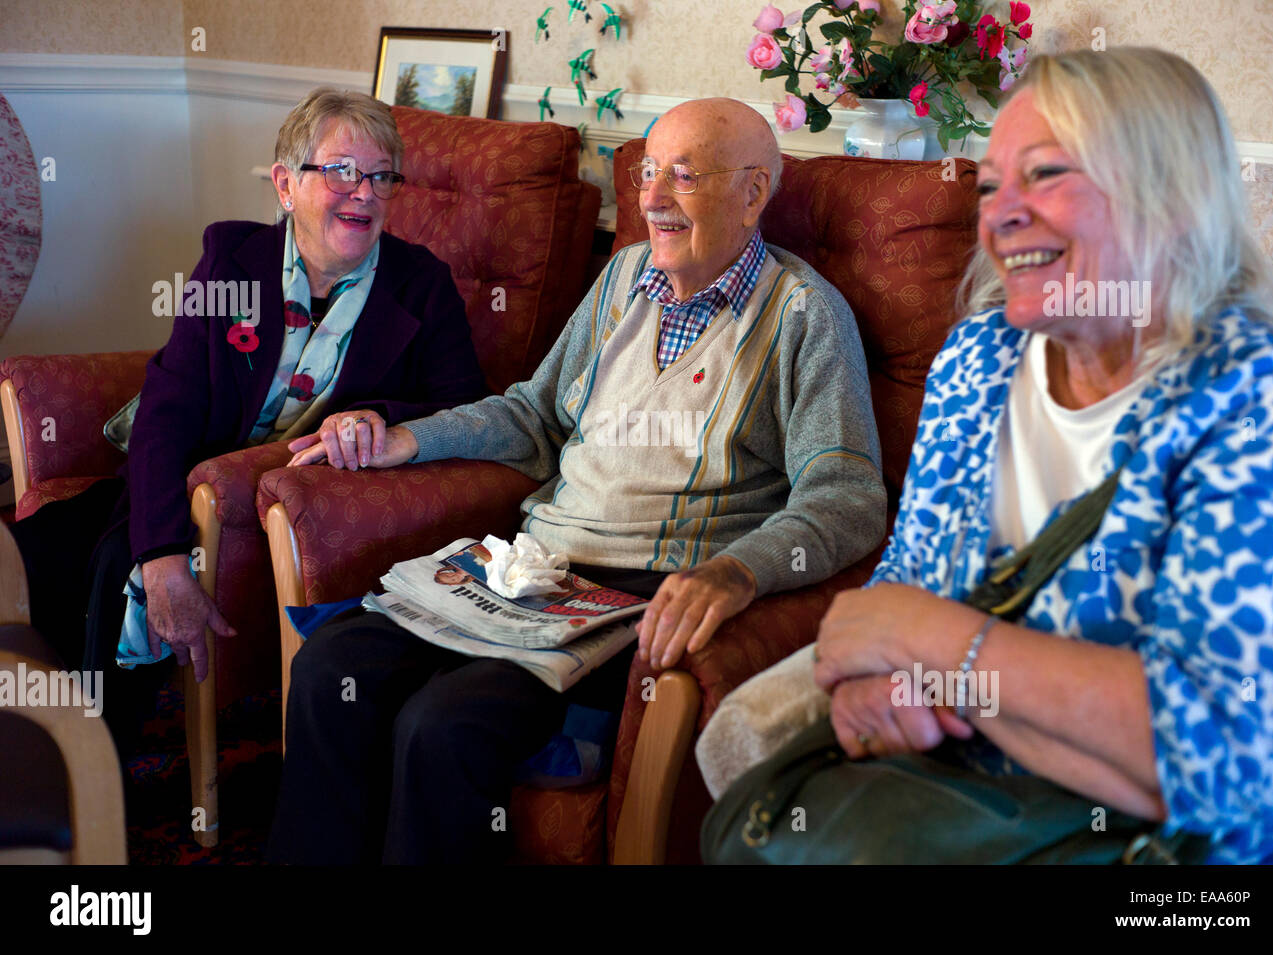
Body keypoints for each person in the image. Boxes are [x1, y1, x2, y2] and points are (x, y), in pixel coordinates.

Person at [698, 47, 1273, 864]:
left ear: (1175, 199)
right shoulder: (980, 357)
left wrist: (938, 648)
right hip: (953, 808)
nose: (1001, 213)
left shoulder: (1261, 397)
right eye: (989, 186)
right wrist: (878, 678)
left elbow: (1237, 768)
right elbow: (902, 587)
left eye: (1047, 174)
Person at [267, 97, 888, 864]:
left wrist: (738, 571)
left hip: (638, 598)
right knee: (331, 669)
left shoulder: (804, 317)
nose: (651, 198)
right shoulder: (624, 277)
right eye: (650, 171)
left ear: (753, 192)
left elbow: (847, 497)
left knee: (441, 724)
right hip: (529, 570)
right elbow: (534, 415)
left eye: (683, 177)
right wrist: (407, 439)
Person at [9, 87, 485, 747]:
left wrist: (379, 414)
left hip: (284, 518)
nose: (366, 193)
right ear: (287, 184)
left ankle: (93, 779)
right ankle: (35, 745)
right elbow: (168, 410)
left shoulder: (420, 284)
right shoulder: (232, 261)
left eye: (381, 176)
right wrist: (167, 552)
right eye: (343, 171)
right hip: (183, 482)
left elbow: (465, 408)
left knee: (116, 559)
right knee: (34, 553)